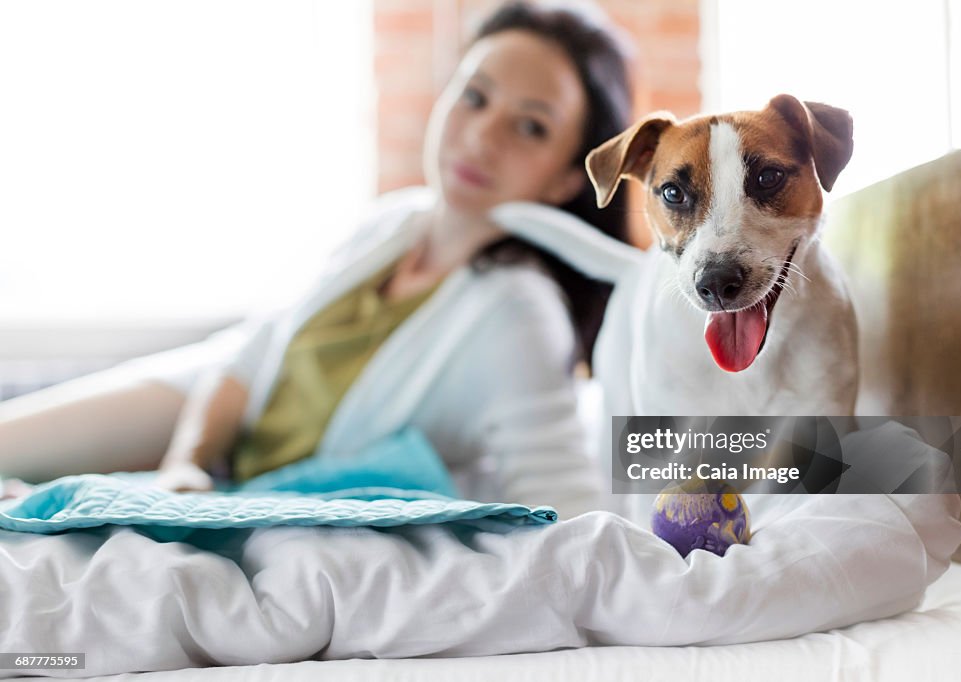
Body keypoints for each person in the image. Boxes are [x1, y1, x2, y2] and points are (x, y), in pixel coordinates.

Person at [0, 1, 634, 518]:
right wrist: (185, 465)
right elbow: (249, 354)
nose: (481, 134)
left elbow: (562, 501)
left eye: (530, 128)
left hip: (257, 478)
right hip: (213, 406)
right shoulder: (394, 221)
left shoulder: (520, 312)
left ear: (563, 181)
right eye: (475, 96)